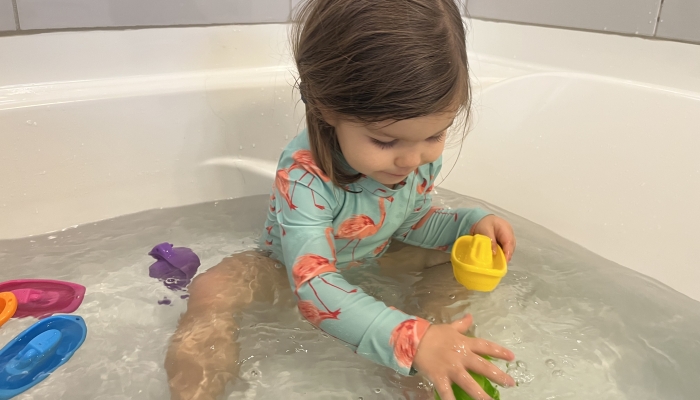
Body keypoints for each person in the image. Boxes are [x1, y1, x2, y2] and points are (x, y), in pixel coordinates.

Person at [165, 0, 518, 399]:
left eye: (435, 135)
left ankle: (427, 355)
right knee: (212, 290)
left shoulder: (412, 159)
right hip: (287, 270)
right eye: (386, 141)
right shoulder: (304, 175)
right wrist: (411, 339)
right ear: (326, 107)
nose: (412, 158)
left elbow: (412, 220)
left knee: (450, 258)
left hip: (378, 253)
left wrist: (466, 225)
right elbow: (313, 285)